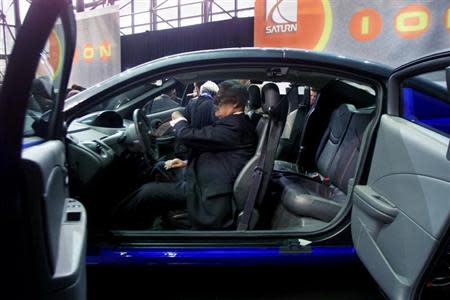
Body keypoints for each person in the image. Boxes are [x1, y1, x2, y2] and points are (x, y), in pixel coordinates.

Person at [111, 80, 257, 230]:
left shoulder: (237, 126)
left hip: (206, 193)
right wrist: (185, 162)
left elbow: (189, 136)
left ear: (235, 103)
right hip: (203, 179)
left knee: (147, 193)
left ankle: (112, 228)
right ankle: (145, 222)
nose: (215, 102)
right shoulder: (234, 123)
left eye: (219, 99)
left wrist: (179, 119)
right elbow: (221, 153)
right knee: (160, 167)